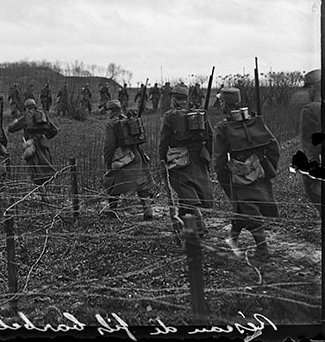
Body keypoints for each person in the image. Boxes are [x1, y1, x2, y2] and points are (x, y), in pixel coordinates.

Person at [213, 87, 280, 261]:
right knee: (242, 208)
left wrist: (224, 179)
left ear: (223, 103)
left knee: (249, 211)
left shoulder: (222, 128)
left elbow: (219, 160)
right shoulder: (255, 122)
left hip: (238, 177)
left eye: (220, 101)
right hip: (259, 172)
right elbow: (274, 146)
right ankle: (232, 239)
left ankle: (262, 249)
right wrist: (267, 166)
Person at [158, 84, 213, 235]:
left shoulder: (170, 116)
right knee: (188, 193)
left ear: (174, 99)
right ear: (187, 98)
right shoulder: (199, 114)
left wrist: (162, 159)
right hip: (199, 157)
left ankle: (200, 225)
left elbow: (164, 140)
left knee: (187, 192)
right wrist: (208, 156)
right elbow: (210, 136)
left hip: (179, 159)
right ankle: (186, 226)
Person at [102, 99, 155, 220]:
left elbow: (109, 145)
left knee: (112, 182)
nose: (107, 113)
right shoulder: (129, 120)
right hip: (136, 155)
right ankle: (148, 210)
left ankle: (113, 210)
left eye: (108, 111)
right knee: (142, 183)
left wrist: (108, 161)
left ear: (111, 111)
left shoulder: (111, 124)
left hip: (122, 158)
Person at [8, 98, 59, 197]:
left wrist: (14, 121)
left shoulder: (26, 118)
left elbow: (11, 129)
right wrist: (45, 137)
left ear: (26, 108)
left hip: (32, 146)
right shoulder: (44, 116)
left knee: (35, 171)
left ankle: (43, 195)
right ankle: (45, 193)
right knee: (46, 169)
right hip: (44, 145)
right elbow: (54, 130)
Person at [300, 69, 322, 218]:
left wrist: (309, 178)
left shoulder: (310, 110)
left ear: (314, 87)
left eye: (308, 88)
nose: (308, 92)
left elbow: (310, 147)